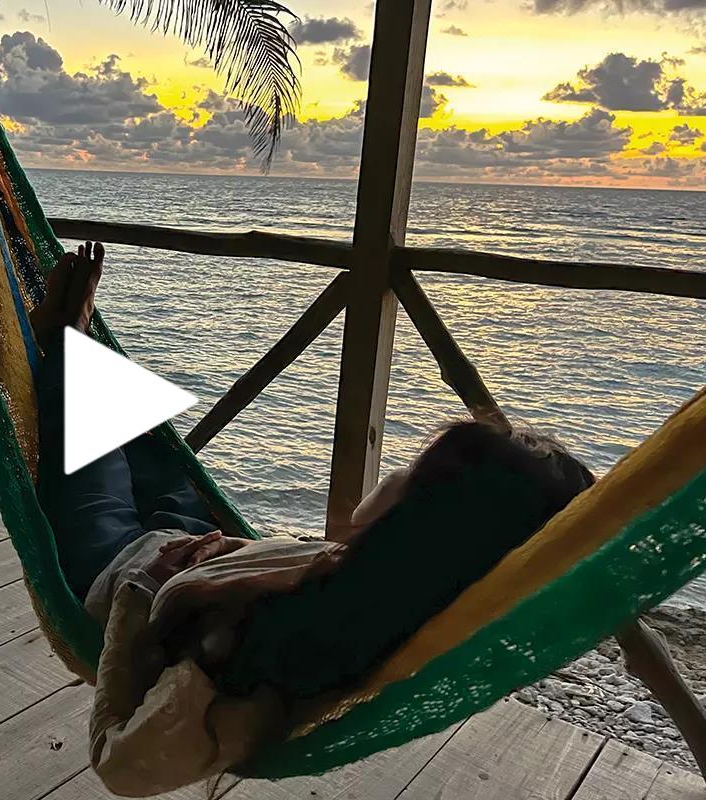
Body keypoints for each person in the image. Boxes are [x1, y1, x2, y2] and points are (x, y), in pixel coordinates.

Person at [31, 242, 597, 797]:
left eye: (413, 469)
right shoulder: (381, 591)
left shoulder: (246, 670)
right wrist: (226, 551)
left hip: (118, 568)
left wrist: (139, 591)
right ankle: (77, 345)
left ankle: (63, 339)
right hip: (195, 546)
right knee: (143, 436)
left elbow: (121, 766)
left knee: (90, 441)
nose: (396, 468)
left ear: (424, 518)